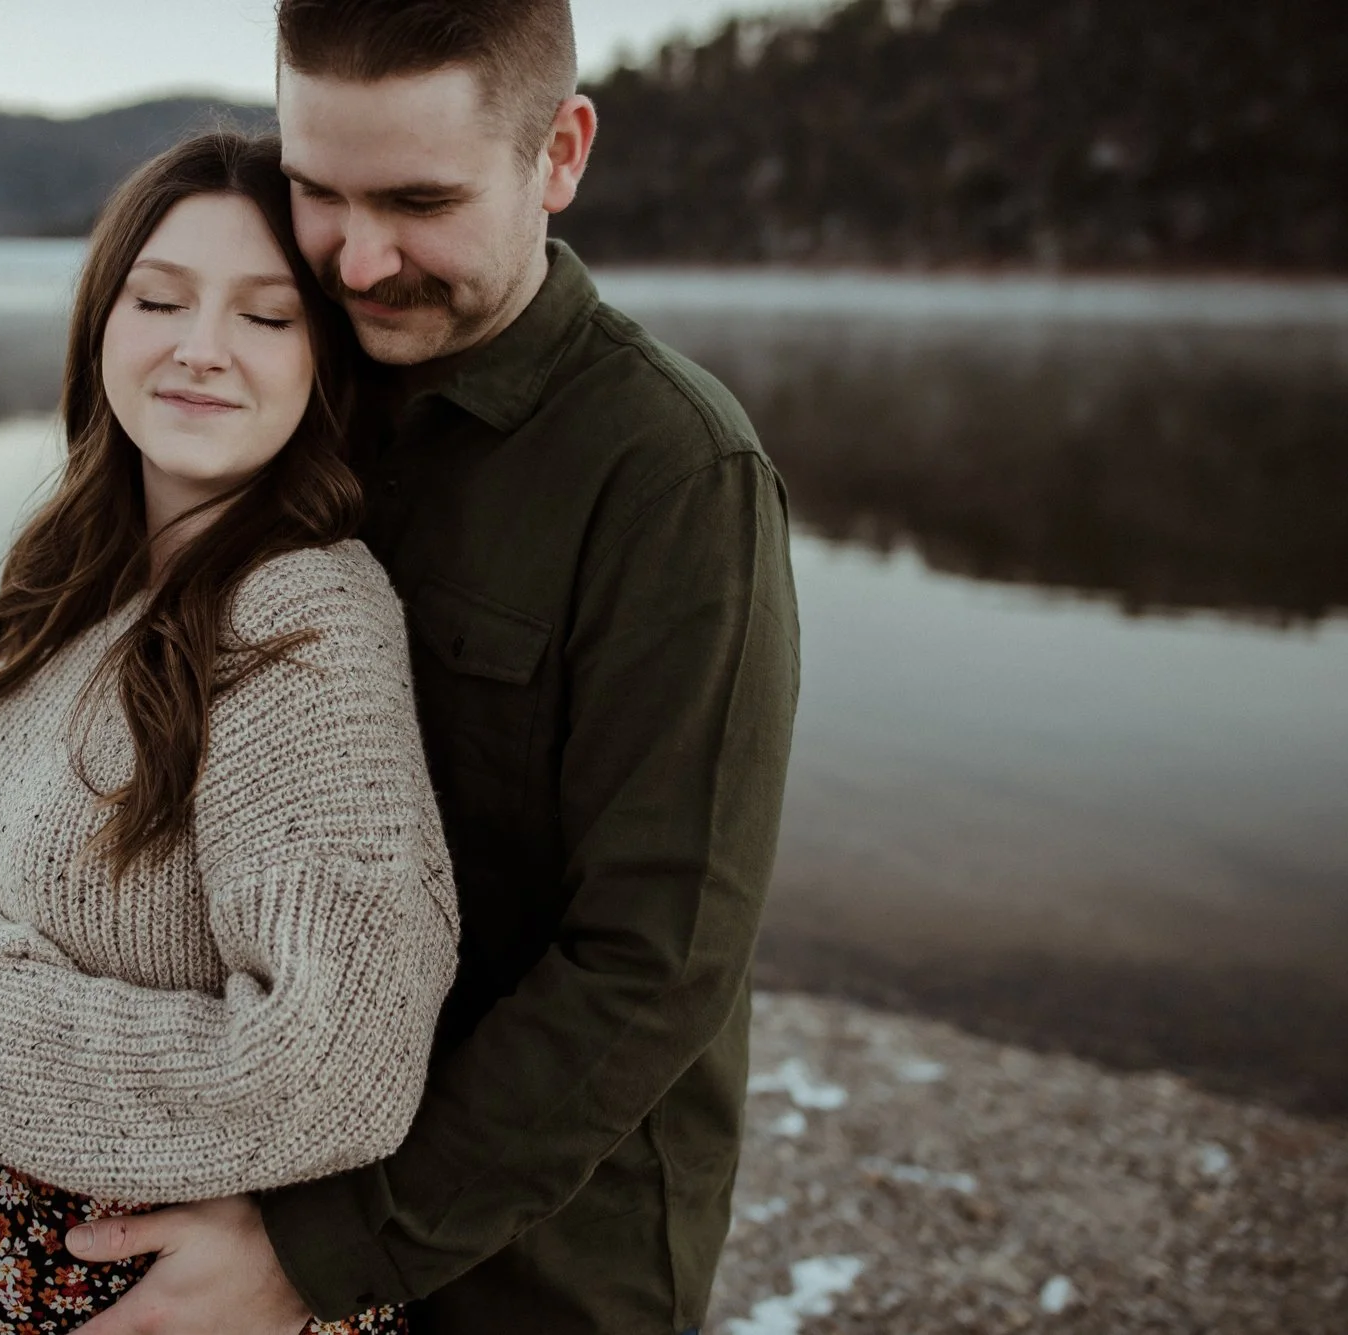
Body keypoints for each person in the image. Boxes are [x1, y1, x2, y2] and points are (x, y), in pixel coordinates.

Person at [57, 3, 803, 1334]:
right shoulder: (283, 372)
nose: (361, 256)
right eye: (317, 191)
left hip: (529, 1269)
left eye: (418, 199)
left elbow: (657, 953)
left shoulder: (673, 473)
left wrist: (323, 1246)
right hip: (233, 1206)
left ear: (559, 153)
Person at [0, 130, 460, 1335]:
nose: (199, 349)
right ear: (101, 321)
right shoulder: (79, 586)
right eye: (159, 298)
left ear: (322, 363)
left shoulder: (304, 615)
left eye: (265, 318)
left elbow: (342, 1060)